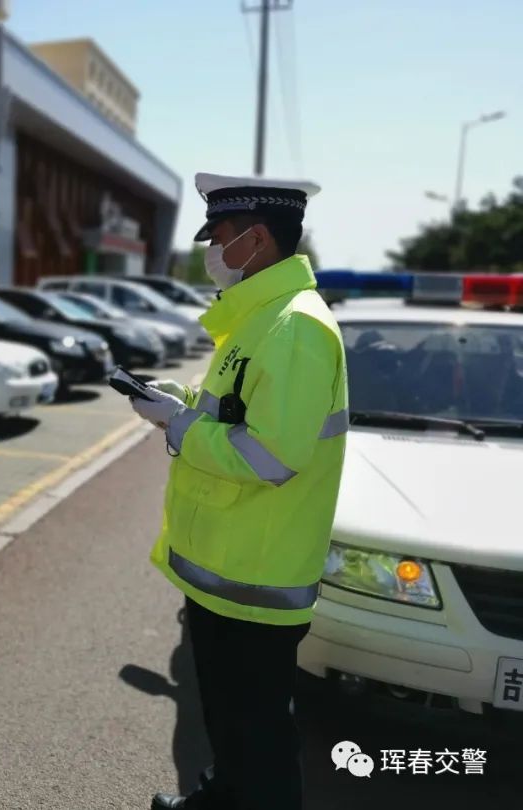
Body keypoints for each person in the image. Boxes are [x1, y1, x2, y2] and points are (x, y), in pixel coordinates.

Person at [129, 173, 349, 810]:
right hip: (230, 568)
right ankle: (219, 796)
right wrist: (181, 404)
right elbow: (232, 415)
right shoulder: (260, 321)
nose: (212, 252)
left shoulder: (294, 328)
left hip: (257, 574)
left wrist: (177, 425)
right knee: (229, 724)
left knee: (259, 736)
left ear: (256, 240)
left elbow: (270, 456)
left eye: (220, 237)